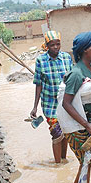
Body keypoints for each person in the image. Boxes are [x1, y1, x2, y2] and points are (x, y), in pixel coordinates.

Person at [58, 31, 91, 183]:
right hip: (80, 126)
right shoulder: (76, 74)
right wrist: (87, 125)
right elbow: (66, 103)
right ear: (86, 50)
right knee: (86, 161)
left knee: (87, 161)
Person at [30, 31, 73, 163]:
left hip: (65, 103)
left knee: (65, 133)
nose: (55, 47)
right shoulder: (41, 61)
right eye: (52, 45)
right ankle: (58, 165)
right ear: (47, 46)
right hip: (49, 105)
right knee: (57, 134)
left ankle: (63, 159)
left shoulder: (66, 58)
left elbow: (72, 80)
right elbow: (38, 84)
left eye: (58, 44)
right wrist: (35, 107)